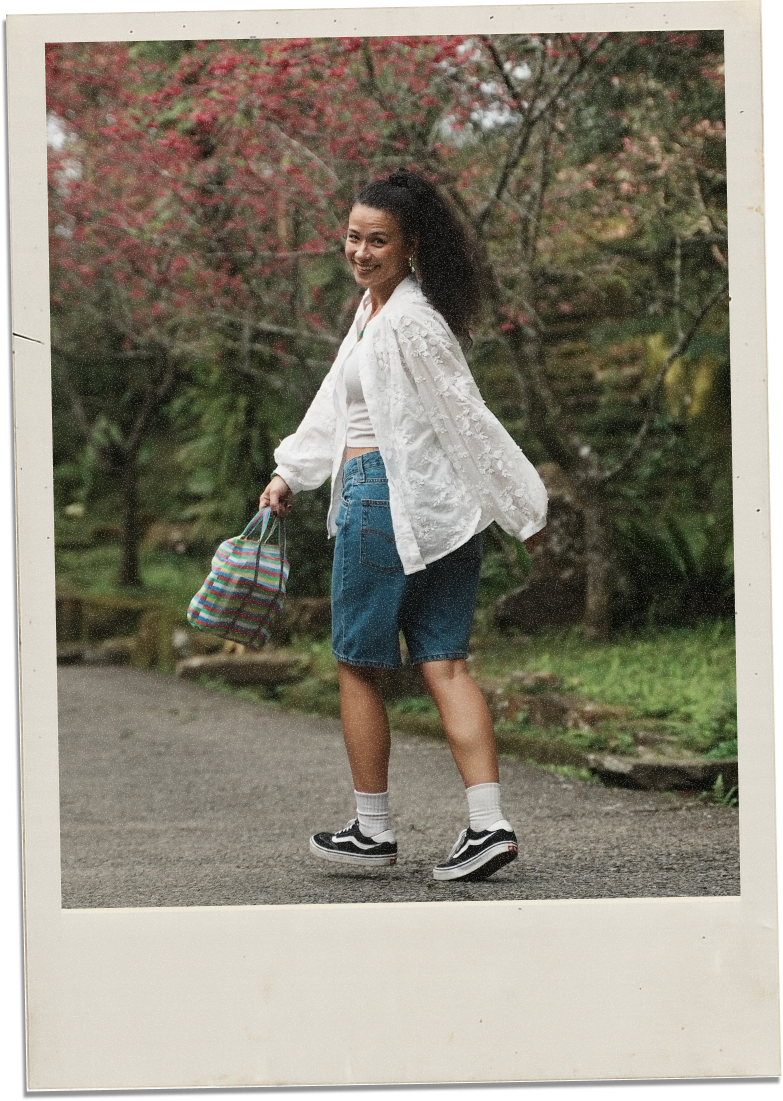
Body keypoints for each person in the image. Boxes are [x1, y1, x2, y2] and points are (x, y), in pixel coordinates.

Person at [259, 168, 547, 882]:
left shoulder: (408, 322)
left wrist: (523, 504)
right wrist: (291, 469)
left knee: (358, 663)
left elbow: (466, 415)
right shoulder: (377, 309)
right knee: (444, 661)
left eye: (376, 240)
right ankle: (487, 826)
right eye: (353, 237)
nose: (360, 251)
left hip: (380, 499)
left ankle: (373, 829)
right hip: (439, 508)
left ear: (410, 243)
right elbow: (335, 399)